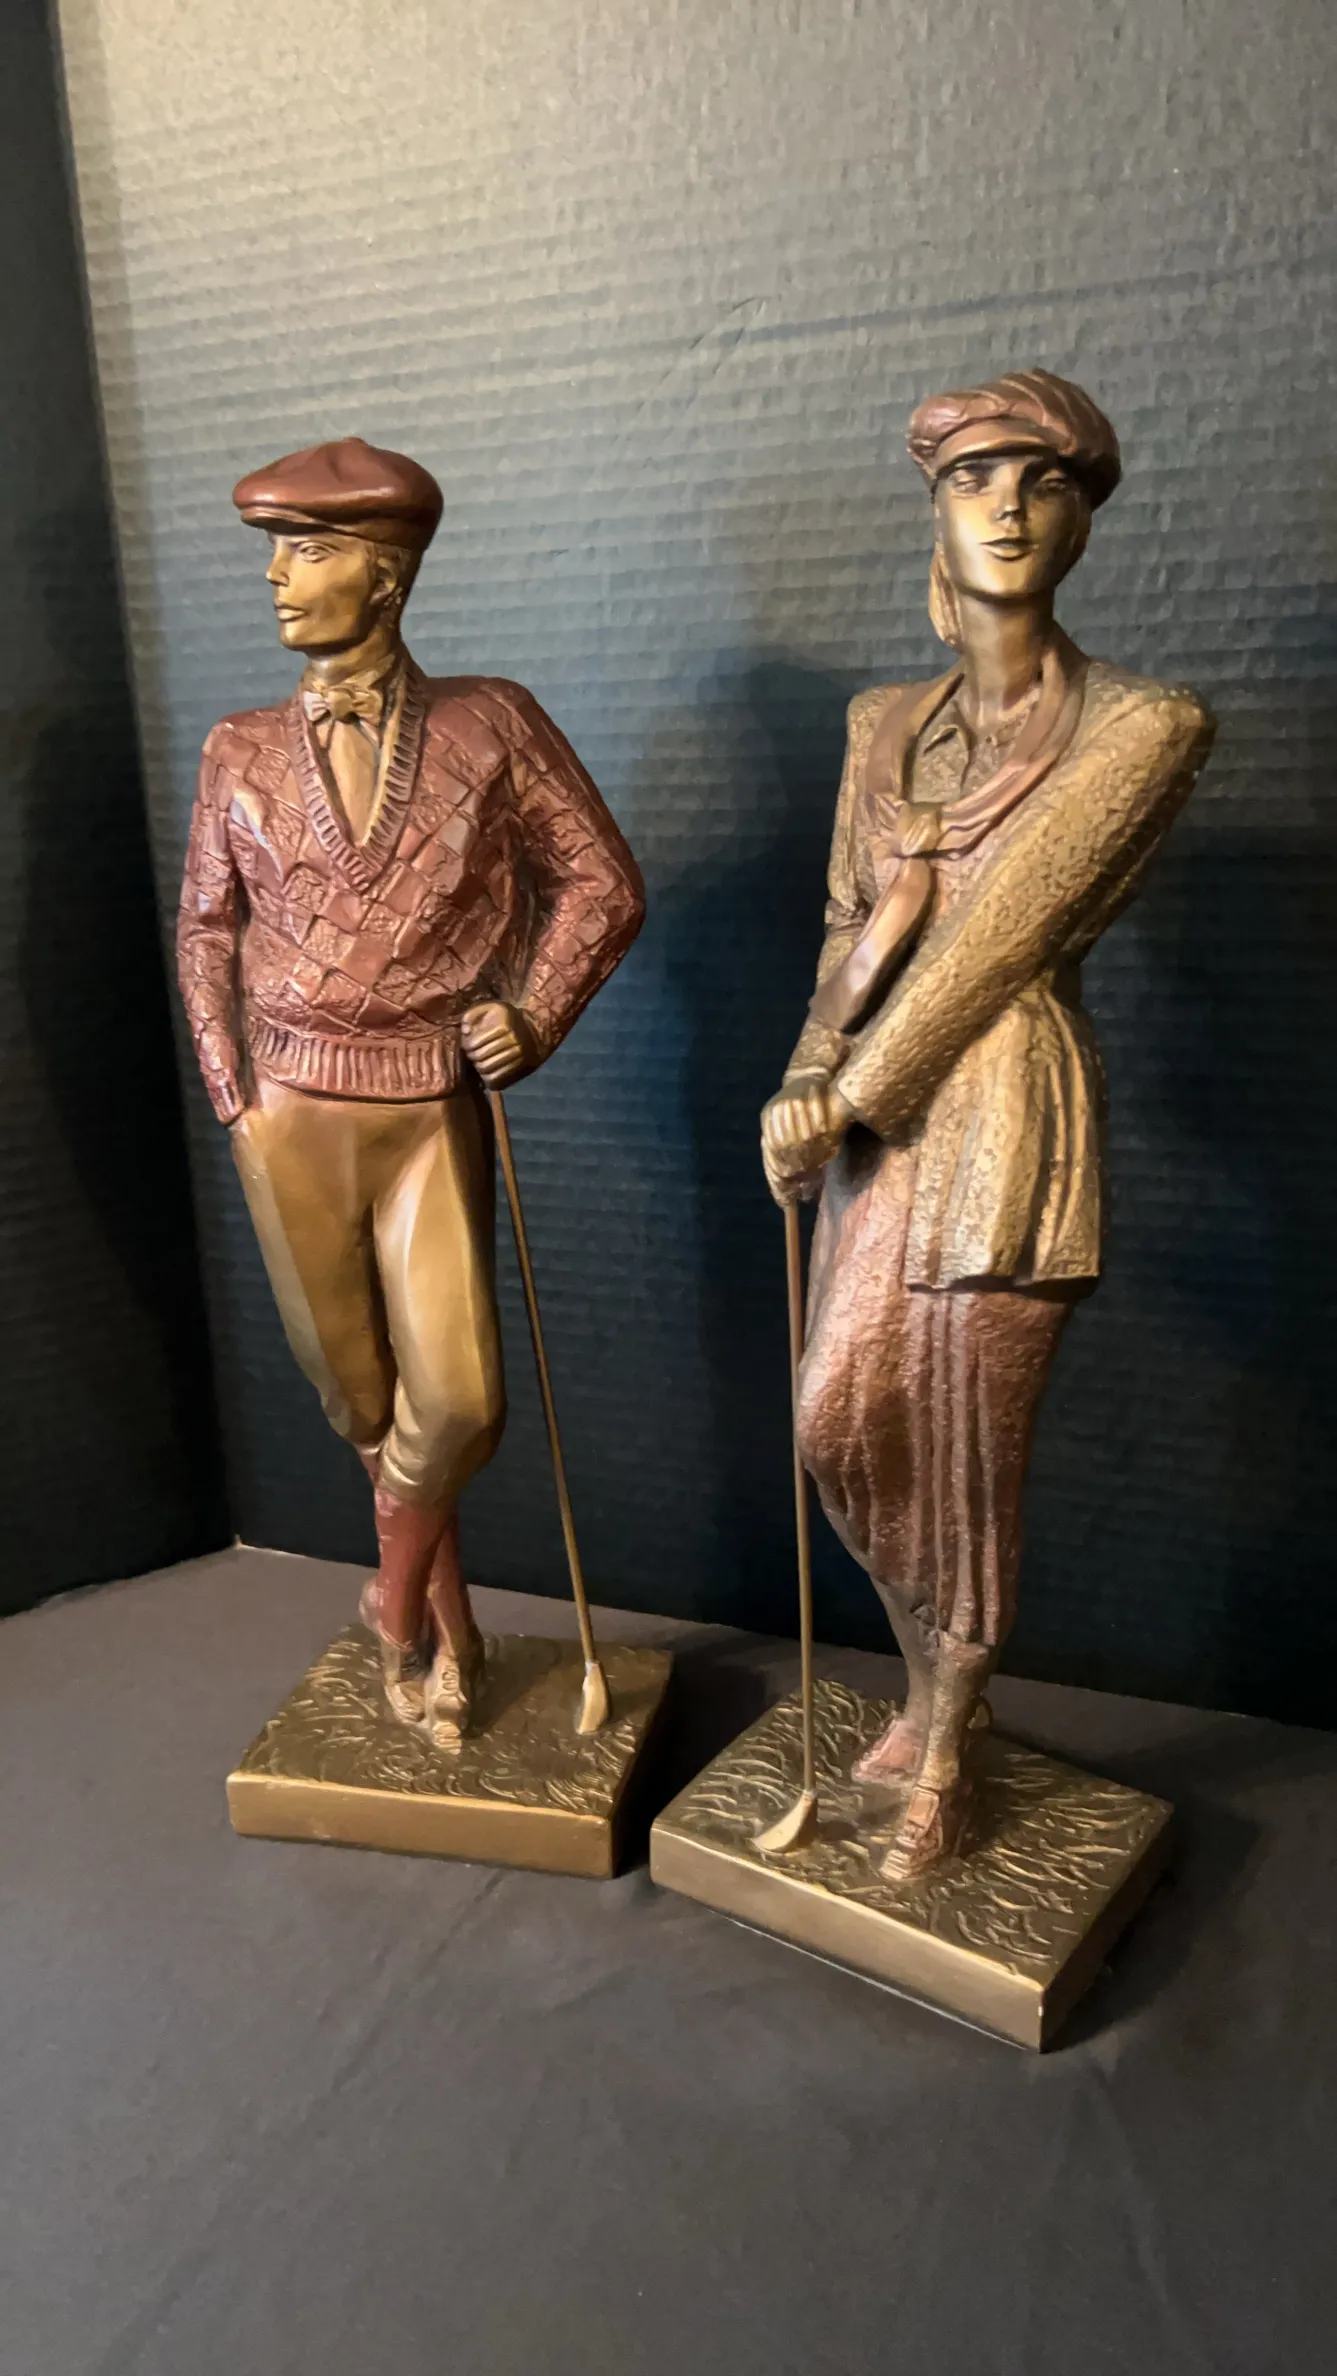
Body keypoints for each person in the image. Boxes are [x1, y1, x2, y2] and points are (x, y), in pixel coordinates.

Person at [761, 371, 1214, 1877]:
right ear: (936, 510)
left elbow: (998, 935)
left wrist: (851, 1090)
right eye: (974, 479)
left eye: (1044, 483)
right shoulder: (881, 723)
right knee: (840, 1423)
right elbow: (852, 927)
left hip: (1006, 1109)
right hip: (870, 1126)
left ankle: (949, 1747)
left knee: (966, 1451)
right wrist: (802, 1073)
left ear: (1082, 519)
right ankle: (927, 1692)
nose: (1008, 509)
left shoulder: (1143, 727)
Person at [178, 437, 644, 1743]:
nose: (278, 577)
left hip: (432, 1106)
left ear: (385, 576)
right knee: (361, 1402)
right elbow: (205, 924)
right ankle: (450, 1633)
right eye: (276, 551)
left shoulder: (490, 724)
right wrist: (231, 1091)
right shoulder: (237, 748)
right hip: (289, 1110)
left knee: (458, 1403)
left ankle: (390, 1605)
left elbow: (601, 881)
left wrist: (533, 1011)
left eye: (309, 551)